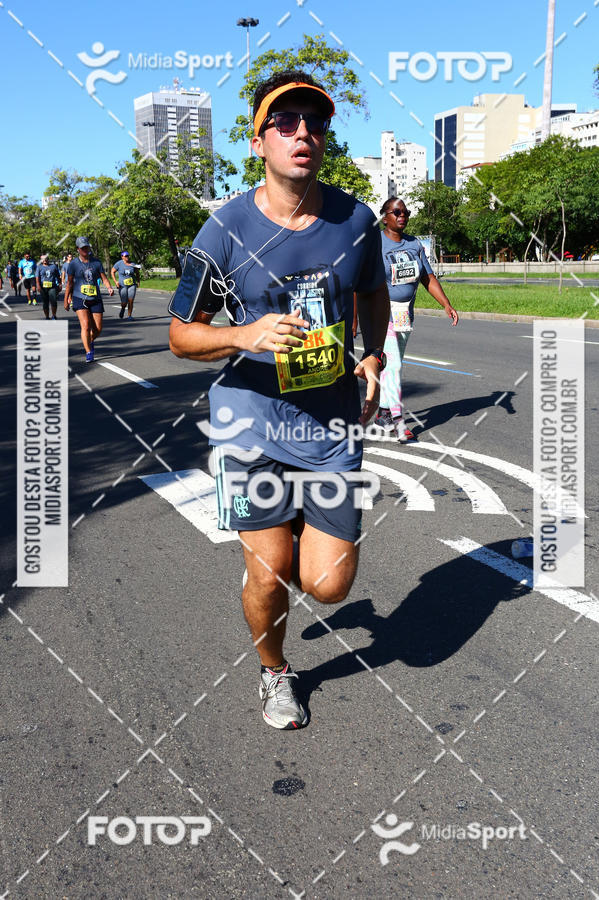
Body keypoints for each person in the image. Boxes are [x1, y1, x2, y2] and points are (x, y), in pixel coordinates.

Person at [169, 70, 389, 730]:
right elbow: (181, 335)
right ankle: (274, 671)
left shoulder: (356, 220)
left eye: (315, 124)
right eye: (286, 123)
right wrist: (245, 333)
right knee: (269, 577)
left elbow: (373, 292)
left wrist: (373, 353)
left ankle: (296, 535)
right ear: (259, 140)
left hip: (329, 430)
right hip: (250, 429)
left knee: (328, 585)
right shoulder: (224, 229)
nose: (303, 134)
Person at [374, 197, 459, 441]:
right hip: (383, 313)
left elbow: (427, 278)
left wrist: (446, 304)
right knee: (395, 366)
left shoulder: (414, 244)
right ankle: (399, 422)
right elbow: (363, 283)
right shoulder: (375, 244)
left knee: (392, 366)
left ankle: (383, 412)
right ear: (385, 216)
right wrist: (357, 318)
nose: (403, 216)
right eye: (397, 212)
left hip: (405, 314)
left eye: (406, 212)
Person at [64, 236, 113, 362]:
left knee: (98, 329)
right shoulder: (73, 264)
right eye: (83, 248)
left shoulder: (96, 262)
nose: (85, 249)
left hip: (95, 297)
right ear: (78, 249)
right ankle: (89, 352)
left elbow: (104, 278)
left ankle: (89, 341)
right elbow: (69, 283)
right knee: (85, 326)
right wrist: (66, 299)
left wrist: (109, 288)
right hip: (79, 298)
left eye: (87, 247)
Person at [111, 250, 139, 319]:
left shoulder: (133, 264)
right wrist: (115, 281)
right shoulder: (119, 264)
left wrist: (138, 281)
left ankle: (129, 315)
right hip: (122, 285)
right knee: (124, 303)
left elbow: (137, 273)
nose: (127, 257)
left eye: (128, 256)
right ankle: (123, 309)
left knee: (131, 301)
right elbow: (112, 271)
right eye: (125, 256)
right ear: (122, 257)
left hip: (132, 285)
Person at [36, 253, 61, 319]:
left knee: (53, 301)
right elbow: (37, 278)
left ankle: (54, 315)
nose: (44, 260)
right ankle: (47, 316)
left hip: (52, 287)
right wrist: (38, 285)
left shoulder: (54, 266)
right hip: (43, 287)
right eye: (42, 259)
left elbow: (58, 276)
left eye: (45, 258)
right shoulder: (39, 267)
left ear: (48, 259)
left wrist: (60, 284)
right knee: (45, 302)